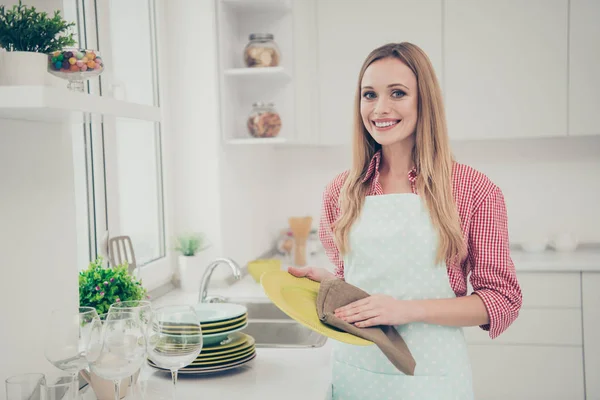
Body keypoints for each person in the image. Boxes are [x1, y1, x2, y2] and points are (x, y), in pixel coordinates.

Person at [288, 42, 522, 399]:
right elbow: (356, 282)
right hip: (356, 373)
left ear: (423, 100)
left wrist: (407, 309)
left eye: (397, 93)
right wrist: (330, 284)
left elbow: (502, 299)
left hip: (433, 376)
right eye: (369, 95)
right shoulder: (341, 190)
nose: (380, 109)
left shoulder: (473, 189)